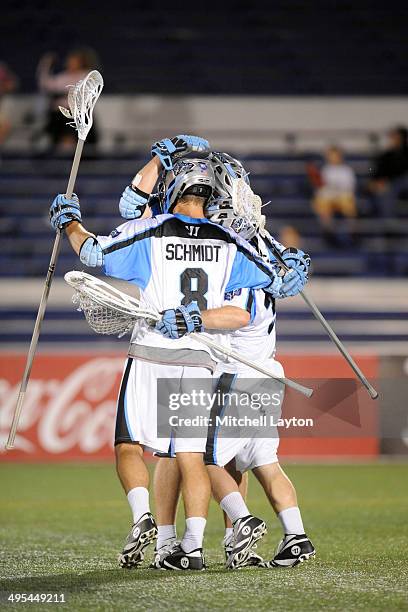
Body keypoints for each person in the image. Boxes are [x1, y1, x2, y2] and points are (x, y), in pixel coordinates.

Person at [48, 135, 290, 571]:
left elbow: (92, 252)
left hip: (152, 352)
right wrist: (284, 261)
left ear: (174, 184)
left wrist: (69, 222)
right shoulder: (229, 241)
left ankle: (144, 518)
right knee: (191, 455)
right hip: (201, 360)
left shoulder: (153, 230)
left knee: (128, 445)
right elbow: (274, 279)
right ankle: (191, 549)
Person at [121, 150, 315, 569]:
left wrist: (191, 317)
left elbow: (235, 312)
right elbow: (278, 274)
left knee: (193, 456)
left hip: (227, 371)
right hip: (267, 371)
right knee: (257, 462)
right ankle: (283, 536)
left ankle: (194, 541)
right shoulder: (256, 252)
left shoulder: (228, 251)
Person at [37, 48, 99, 150]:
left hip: (79, 115)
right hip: (60, 116)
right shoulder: (63, 77)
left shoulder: (86, 75)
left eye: (74, 61)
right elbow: (45, 85)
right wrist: (46, 66)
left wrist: (66, 95)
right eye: (70, 61)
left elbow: (86, 92)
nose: (71, 64)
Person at [312, 146, 357, 246]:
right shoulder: (325, 170)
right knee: (321, 203)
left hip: (343, 197)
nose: (332, 158)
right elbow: (322, 188)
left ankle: (352, 231)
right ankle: (328, 231)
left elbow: (349, 188)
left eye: (334, 155)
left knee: (348, 203)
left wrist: (336, 193)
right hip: (329, 198)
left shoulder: (346, 170)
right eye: (330, 156)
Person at [368, 126, 408, 218]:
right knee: (383, 193)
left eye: (396, 137)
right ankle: (388, 227)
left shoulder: (405, 153)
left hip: (403, 181)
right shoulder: (385, 155)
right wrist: (374, 180)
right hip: (391, 184)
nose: (392, 140)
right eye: (392, 137)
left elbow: (401, 168)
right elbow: (372, 169)